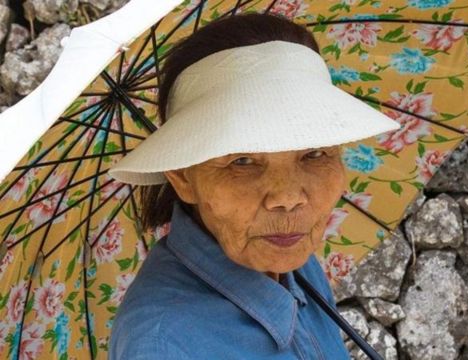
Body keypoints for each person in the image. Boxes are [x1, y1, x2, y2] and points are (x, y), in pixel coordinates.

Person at [106, 12, 400, 359]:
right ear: (183, 177)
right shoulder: (165, 345)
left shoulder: (292, 260)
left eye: (315, 153)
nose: (288, 198)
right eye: (242, 161)